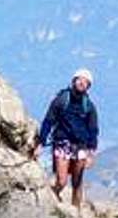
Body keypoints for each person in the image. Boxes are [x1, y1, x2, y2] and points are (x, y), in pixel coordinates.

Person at [37, 68, 99, 209]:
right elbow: (48, 121)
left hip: (81, 146)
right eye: (79, 79)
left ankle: (75, 213)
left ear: (88, 86)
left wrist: (91, 153)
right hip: (62, 143)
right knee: (62, 180)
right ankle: (52, 197)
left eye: (86, 82)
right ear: (73, 81)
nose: (82, 83)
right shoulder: (61, 100)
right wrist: (40, 143)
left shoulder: (89, 107)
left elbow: (93, 130)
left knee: (77, 181)